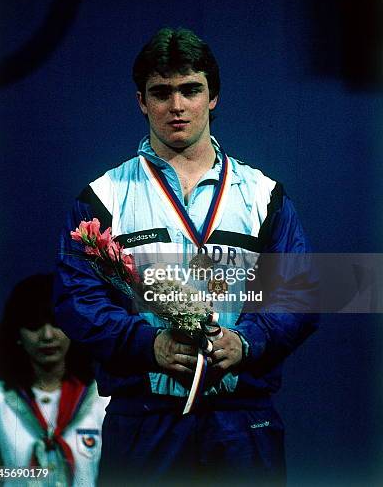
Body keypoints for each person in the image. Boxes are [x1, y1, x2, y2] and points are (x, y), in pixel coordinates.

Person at [54, 27, 318, 486]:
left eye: (190, 90)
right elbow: (77, 300)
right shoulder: (104, 197)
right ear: (141, 101)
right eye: (162, 92)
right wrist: (148, 345)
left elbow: (300, 292)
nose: (177, 106)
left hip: (242, 421)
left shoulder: (263, 194)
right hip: (145, 419)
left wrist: (247, 342)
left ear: (212, 96)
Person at [0, 273, 109, 487]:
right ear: (17, 334)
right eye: (34, 325)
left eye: (57, 323)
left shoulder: (101, 399)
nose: (47, 335)